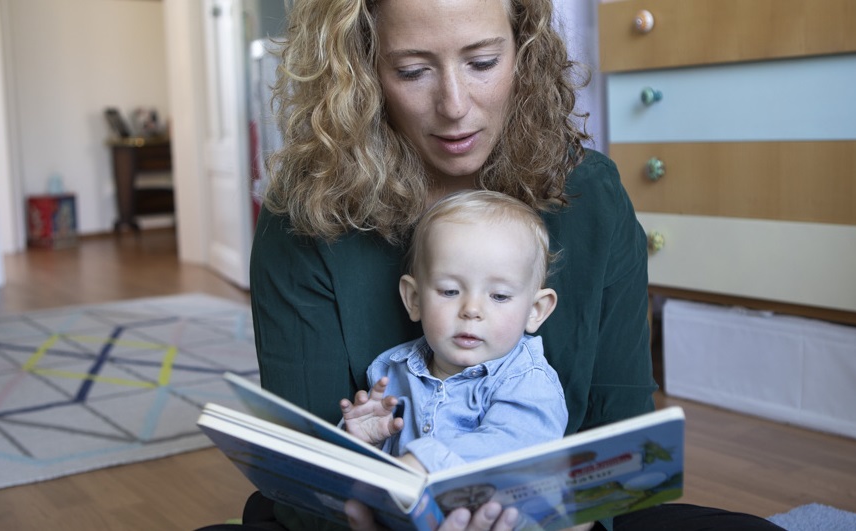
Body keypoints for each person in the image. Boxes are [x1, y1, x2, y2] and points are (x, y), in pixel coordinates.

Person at [239, 0, 787, 529]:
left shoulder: (591, 197)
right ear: (362, 70)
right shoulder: (305, 217)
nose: (454, 104)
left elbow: (626, 448)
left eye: (482, 62)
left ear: (523, 49)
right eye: (411, 71)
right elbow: (308, 479)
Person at [340, 190, 567, 474]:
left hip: (491, 514)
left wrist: (422, 463)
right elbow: (378, 475)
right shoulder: (390, 372)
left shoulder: (527, 381)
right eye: (450, 291)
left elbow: (515, 446)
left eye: (498, 296)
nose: (471, 309)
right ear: (414, 299)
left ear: (535, 310)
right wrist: (363, 441)